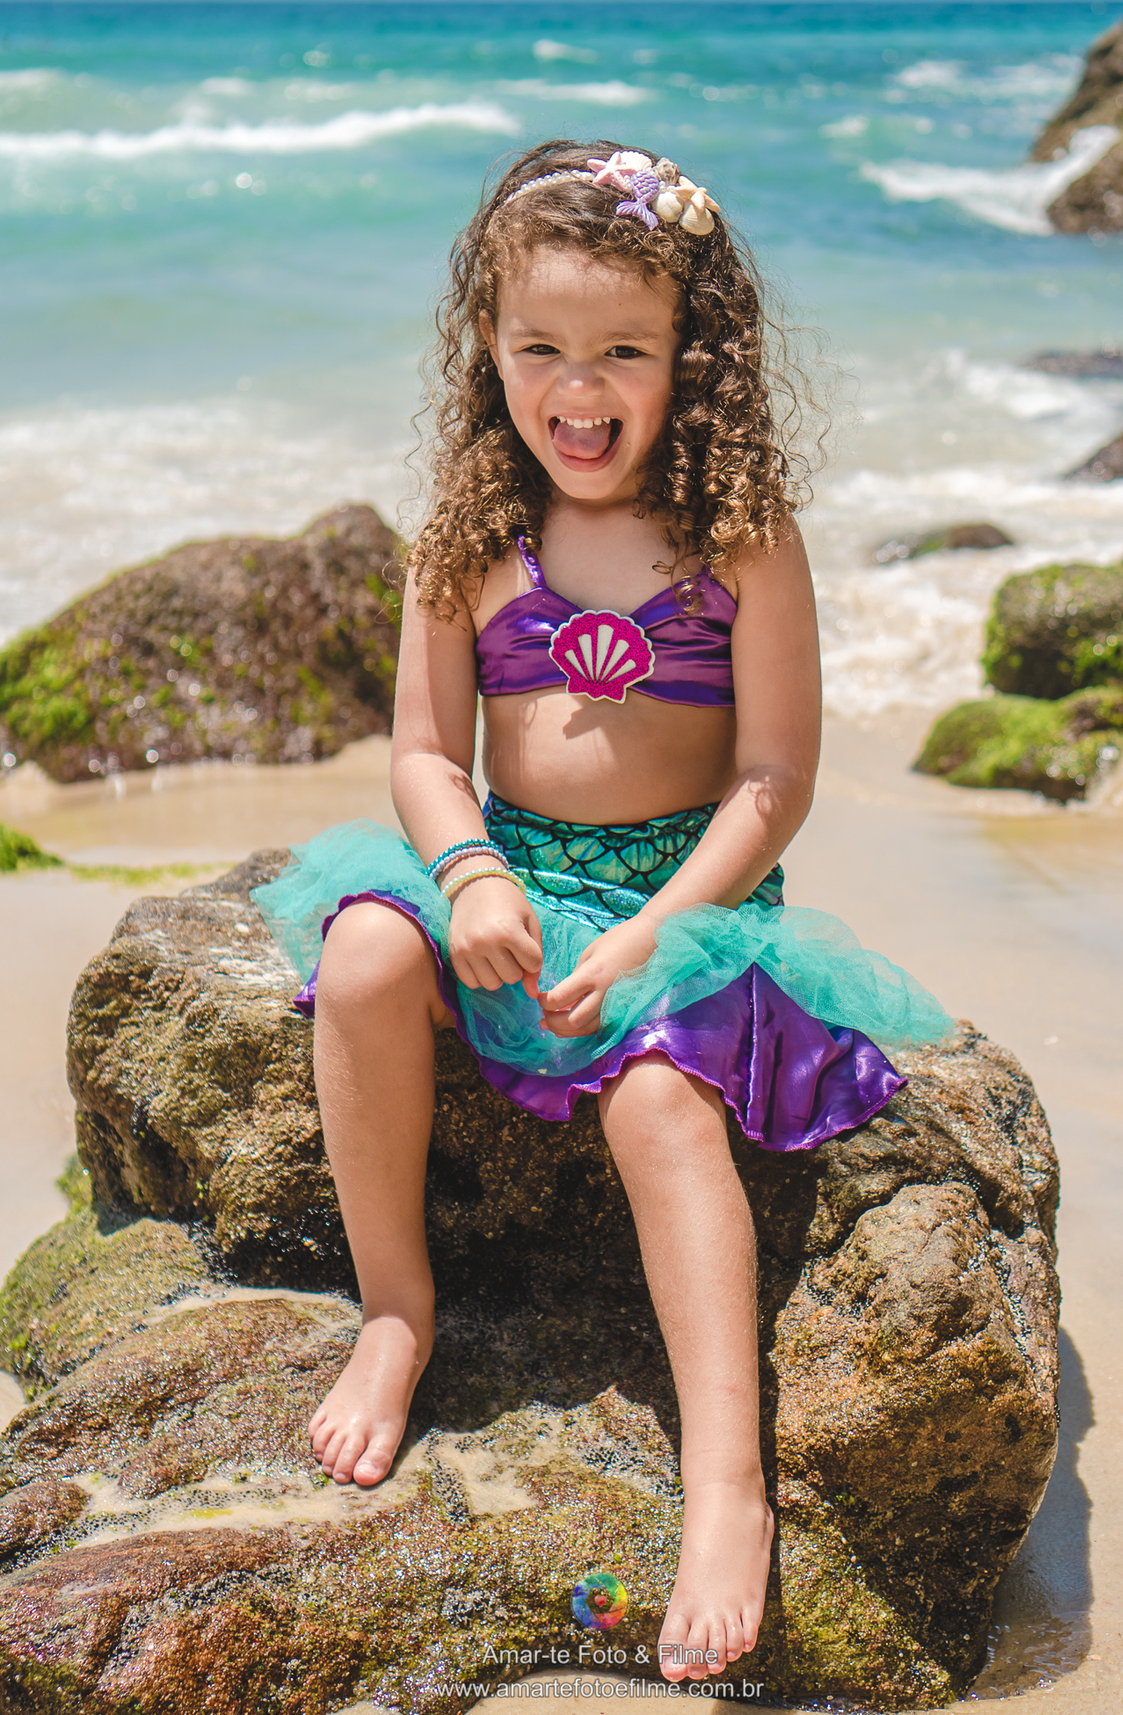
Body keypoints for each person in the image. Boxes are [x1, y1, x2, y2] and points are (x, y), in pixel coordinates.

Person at [253, 139, 951, 1684]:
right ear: (488, 349)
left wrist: (657, 933)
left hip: (688, 908)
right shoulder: (468, 531)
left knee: (657, 1102)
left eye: (623, 349)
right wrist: (470, 874)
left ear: (688, 358)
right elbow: (427, 753)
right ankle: (395, 1314)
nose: (581, 387)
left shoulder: (740, 536)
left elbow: (774, 778)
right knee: (366, 948)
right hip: (514, 882)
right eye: (542, 349)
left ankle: (726, 1485)